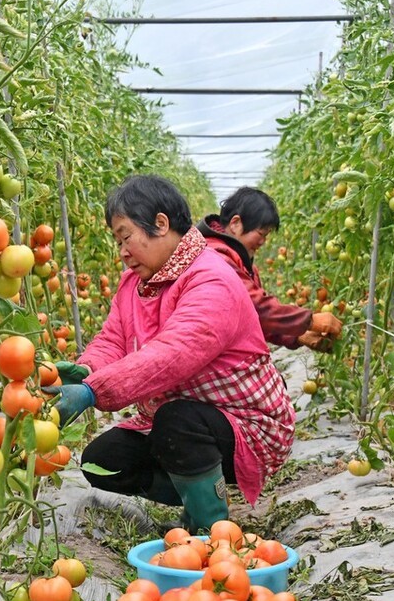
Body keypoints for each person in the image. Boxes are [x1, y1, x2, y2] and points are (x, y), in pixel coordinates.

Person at [43, 175, 297, 532]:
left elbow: (173, 354)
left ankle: (212, 532)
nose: (122, 251)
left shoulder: (211, 278)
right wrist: (88, 370)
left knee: (178, 422)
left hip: (248, 425)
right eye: (118, 241)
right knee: (104, 460)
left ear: (160, 224)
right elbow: (114, 338)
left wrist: (94, 391)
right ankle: (199, 495)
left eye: (126, 237)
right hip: (184, 416)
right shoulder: (134, 283)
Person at [198, 186, 342, 352]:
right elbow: (255, 307)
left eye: (266, 236)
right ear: (235, 223)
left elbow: (257, 320)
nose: (263, 242)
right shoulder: (216, 257)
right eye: (261, 234)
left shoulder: (241, 261)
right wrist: (309, 321)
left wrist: (298, 336)